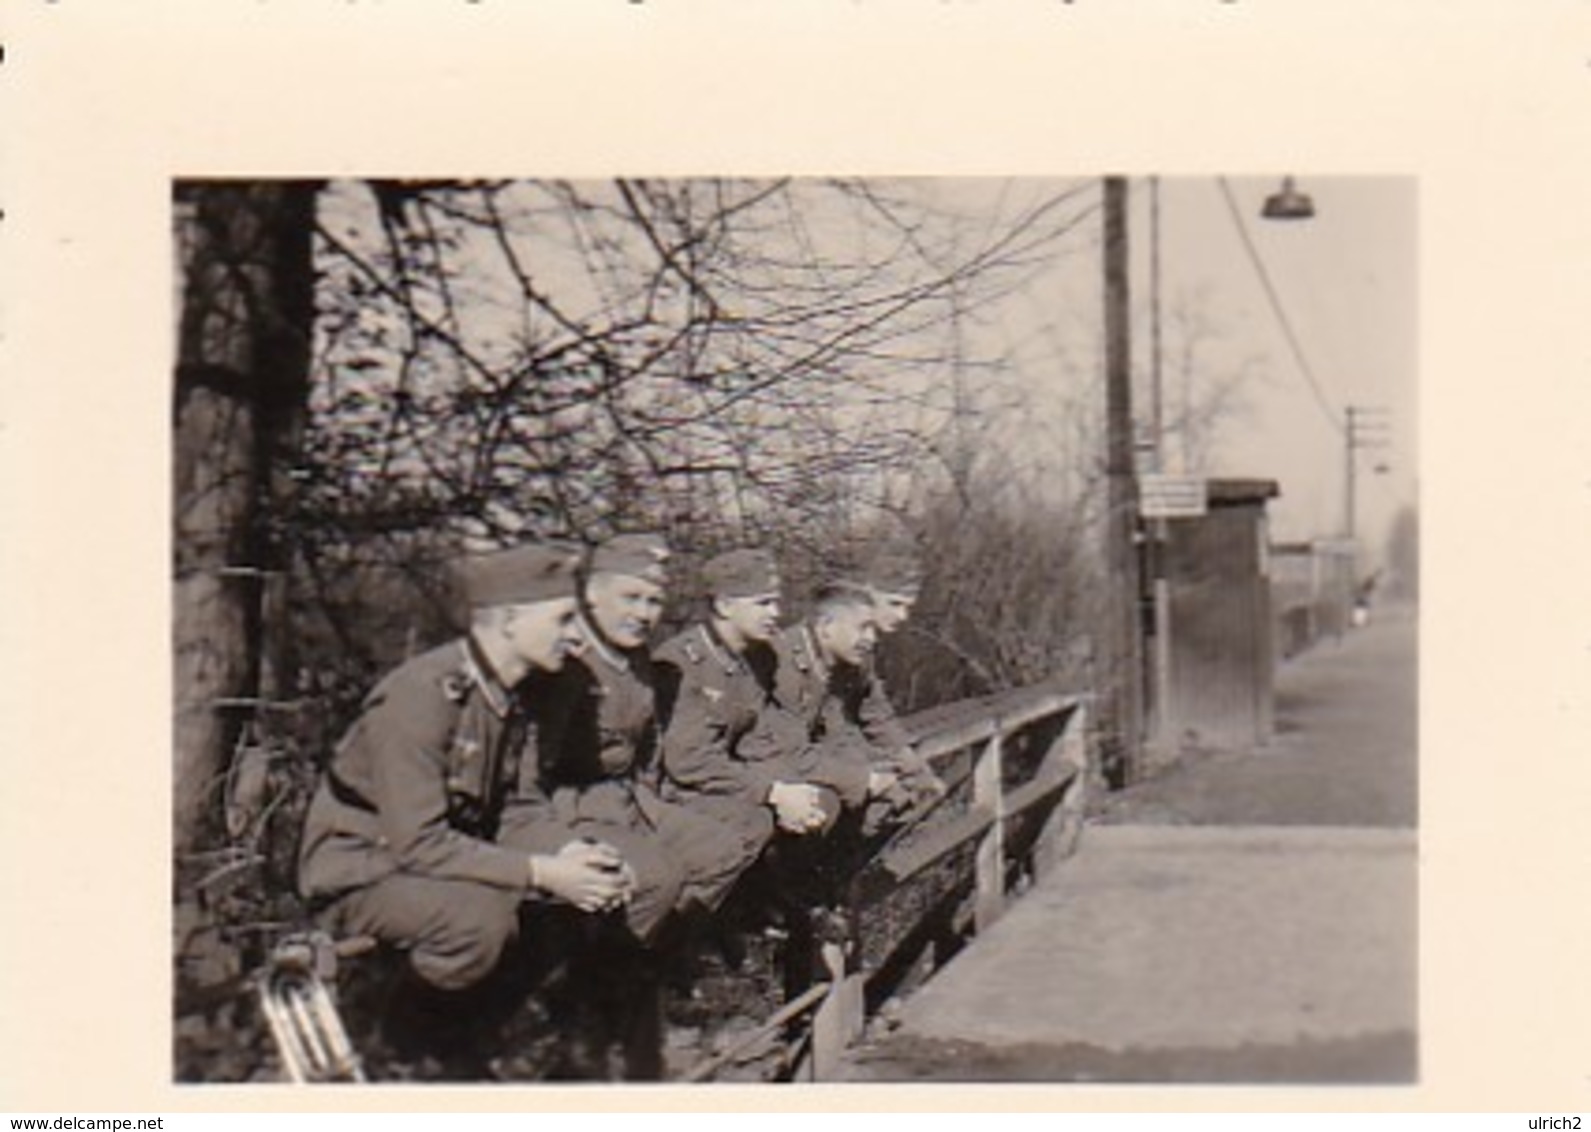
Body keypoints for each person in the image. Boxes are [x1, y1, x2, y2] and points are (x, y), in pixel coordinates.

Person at [295, 541, 632, 1065]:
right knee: (480, 920)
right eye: (565, 618)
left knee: (557, 915)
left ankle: (457, 1046)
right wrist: (541, 872)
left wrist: (572, 856)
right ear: (511, 619)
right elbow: (419, 842)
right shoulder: (424, 694)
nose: (578, 638)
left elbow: (513, 810)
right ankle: (403, 1051)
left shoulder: (507, 696)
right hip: (357, 873)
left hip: (427, 868)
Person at [517, 533, 766, 1077]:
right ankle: (597, 997)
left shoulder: (636, 662)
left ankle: (647, 967)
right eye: (630, 598)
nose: (644, 613)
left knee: (726, 848)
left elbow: (645, 747)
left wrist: (657, 805)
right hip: (573, 805)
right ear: (594, 595)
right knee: (660, 876)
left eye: (653, 602)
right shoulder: (568, 664)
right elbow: (533, 775)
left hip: (630, 796)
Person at [654, 548, 869, 856]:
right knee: (754, 822)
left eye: (776, 601)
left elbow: (763, 738)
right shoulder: (681, 663)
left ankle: (780, 901)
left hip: (728, 778)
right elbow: (689, 763)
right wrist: (773, 792)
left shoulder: (759, 657)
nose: (776, 613)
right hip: (676, 791)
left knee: (819, 800)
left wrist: (802, 783)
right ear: (725, 605)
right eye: (763, 603)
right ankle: (705, 905)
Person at [771, 582, 943, 837]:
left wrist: (910, 764)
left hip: (808, 761)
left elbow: (867, 717)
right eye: (863, 628)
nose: (871, 639)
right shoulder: (780, 665)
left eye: (873, 628)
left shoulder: (850, 658)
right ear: (826, 627)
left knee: (905, 793)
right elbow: (787, 753)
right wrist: (866, 779)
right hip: (758, 778)